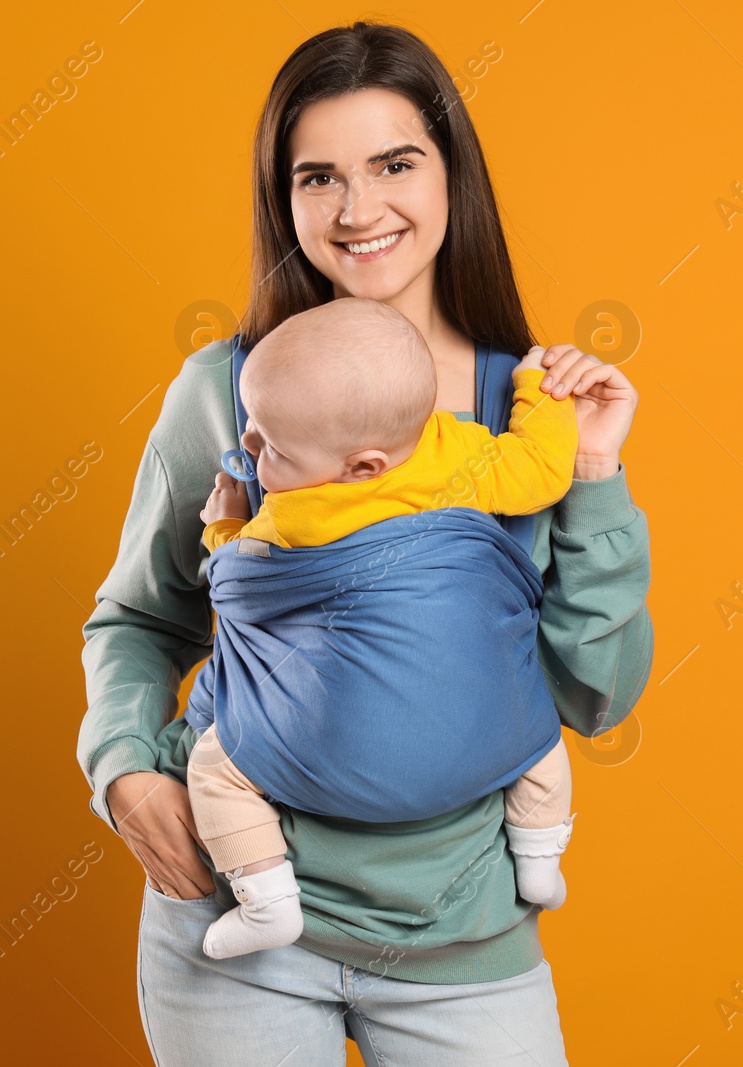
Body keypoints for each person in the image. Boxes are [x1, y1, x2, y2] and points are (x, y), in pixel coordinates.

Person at [76, 19, 652, 1066]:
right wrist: (123, 767)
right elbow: (139, 616)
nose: (358, 210)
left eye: (395, 163)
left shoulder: (530, 410)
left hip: (460, 941)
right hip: (231, 927)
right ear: (281, 199)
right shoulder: (228, 393)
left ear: (451, 176)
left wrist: (598, 477)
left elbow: (594, 692)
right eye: (317, 177)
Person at [187, 296, 580, 959]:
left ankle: (267, 899)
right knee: (534, 732)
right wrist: (539, 386)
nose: (248, 449)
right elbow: (544, 470)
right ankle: (539, 855)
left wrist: (222, 520)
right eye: (253, 430)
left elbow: (238, 582)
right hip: (480, 744)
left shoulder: (291, 514)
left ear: (363, 465)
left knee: (215, 768)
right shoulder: (458, 454)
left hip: (323, 753)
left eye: (270, 445)